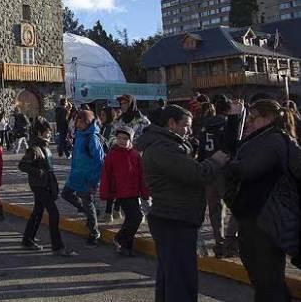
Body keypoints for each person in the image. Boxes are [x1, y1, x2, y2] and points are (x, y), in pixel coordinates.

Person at [135, 104, 229, 302]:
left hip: (172, 216)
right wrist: (216, 160)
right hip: (174, 218)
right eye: (186, 125)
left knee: (171, 277)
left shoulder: (165, 144)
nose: (189, 130)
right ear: (171, 123)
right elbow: (196, 174)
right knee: (180, 280)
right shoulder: (163, 148)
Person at [225, 99, 300, 302]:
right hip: (256, 216)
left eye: (252, 118)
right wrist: (234, 118)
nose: (249, 122)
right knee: (264, 278)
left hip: (267, 219)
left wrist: (224, 165)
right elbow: (234, 150)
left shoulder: (273, 140)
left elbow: (246, 169)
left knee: (266, 281)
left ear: (268, 118)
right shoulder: (262, 138)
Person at [19, 117, 77, 257]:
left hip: (46, 184)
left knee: (38, 212)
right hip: (40, 185)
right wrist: (38, 172)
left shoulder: (44, 146)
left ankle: (27, 239)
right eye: (47, 132)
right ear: (39, 132)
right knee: (54, 213)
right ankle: (57, 247)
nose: (49, 134)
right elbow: (22, 165)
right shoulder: (34, 148)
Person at [195, 97, 243, 258]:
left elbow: (201, 149)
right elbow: (232, 145)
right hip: (225, 170)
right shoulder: (227, 123)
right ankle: (231, 241)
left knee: (214, 209)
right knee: (236, 206)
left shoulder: (205, 125)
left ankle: (218, 241)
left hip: (209, 168)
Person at [99, 125, 149, 256]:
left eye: (125, 138)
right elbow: (106, 175)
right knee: (136, 217)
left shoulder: (135, 154)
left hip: (134, 191)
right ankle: (119, 238)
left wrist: (145, 192)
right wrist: (106, 193)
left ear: (130, 140)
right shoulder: (112, 155)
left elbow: (141, 175)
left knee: (131, 219)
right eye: (119, 138)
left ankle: (126, 248)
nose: (122, 141)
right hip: (122, 192)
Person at [61, 110, 105, 247]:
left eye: (79, 121)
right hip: (76, 175)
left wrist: (93, 181)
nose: (76, 123)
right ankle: (87, 211)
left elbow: (99, 162)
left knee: (88, 202)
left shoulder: (92, 138)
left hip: (86, 177)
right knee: (66, 194)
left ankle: (94, 232)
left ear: (87, 122)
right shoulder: (80, 135)